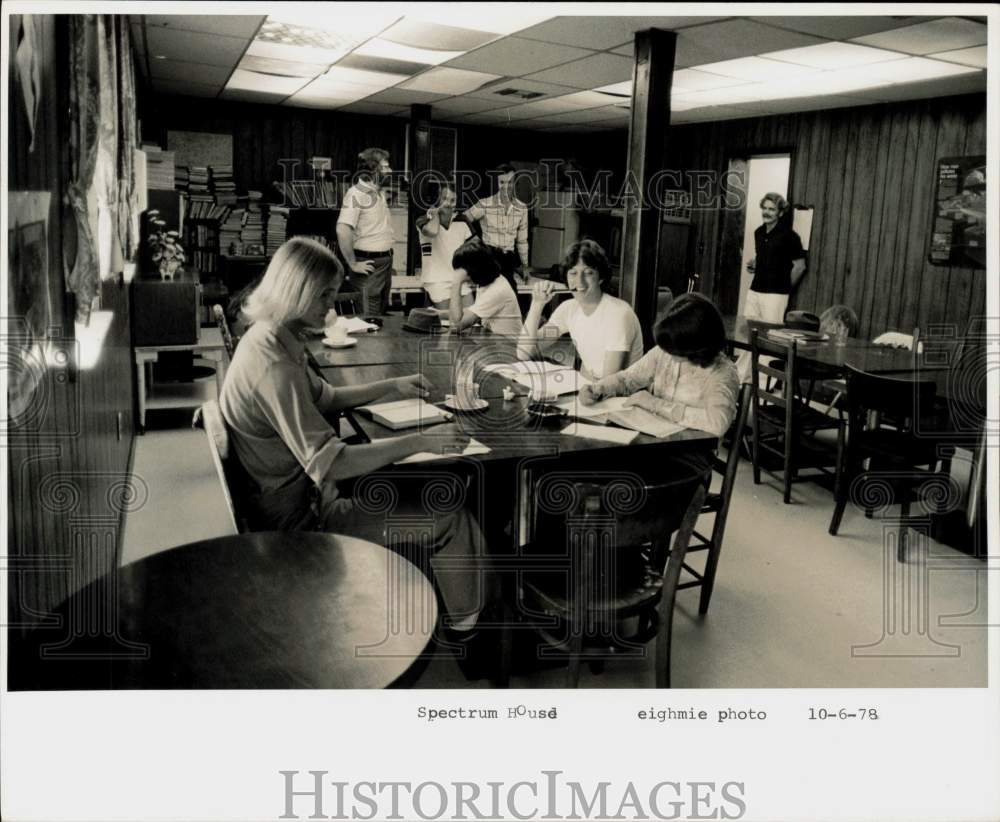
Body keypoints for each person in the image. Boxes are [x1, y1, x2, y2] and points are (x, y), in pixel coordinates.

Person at [219, 237, 485, 632]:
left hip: (296, 496)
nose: (333, 303)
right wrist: (420, 442)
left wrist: (391, 385)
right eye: (324, 294)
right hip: (304, 520)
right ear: (296, 291)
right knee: (450, 515)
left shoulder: (272, 336)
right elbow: (334, 463)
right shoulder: (272, 363)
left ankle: (446, 602)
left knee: (423, 480)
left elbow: (325, 397)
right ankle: (471, 635)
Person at [580, 292, 740, 438]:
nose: (668, 354)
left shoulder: (722, 372)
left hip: (690, 451)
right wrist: (598, 388)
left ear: (697, 344)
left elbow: (717, 424)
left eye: (676, 349)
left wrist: (654, 404)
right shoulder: (666, 352)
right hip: (654, 438)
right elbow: (627, 379)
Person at [518, 239, 642, 380]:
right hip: (595, 389)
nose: (579, 281)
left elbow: (609, 382)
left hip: (621, 396)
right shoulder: (568, 309)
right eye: (573, 273)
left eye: (588, 273)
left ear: (600, 277)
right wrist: (537, 304)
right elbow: (524, 353)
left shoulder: (618, 314)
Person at [737, 192, 807, 381]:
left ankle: (765, 382)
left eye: (772, 209)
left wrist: (785, 288)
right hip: (755, 290)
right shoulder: (759, 232)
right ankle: (744, 377)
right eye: (765, 208)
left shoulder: (790, 236)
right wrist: (756, 264)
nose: (767, 213)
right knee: (749, 335)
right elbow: (765, 258)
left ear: (780, 213)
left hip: (775, 295)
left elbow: (800, 266)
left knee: (770, 339)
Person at [336, 147, 395, 316]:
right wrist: (353, 264)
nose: (390, 171)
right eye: (385, 167)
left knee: (381, 316)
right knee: (370, 320)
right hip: (369, 264)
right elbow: (342, 229)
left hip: (385, 263)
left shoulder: (379, 192)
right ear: (372, 170)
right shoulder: (355, 194)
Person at [460, 163, 530, 290]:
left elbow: (522, 241)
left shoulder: (522, 208)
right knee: (488, 296)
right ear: (496, 183)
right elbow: (462, 220)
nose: (506, 186)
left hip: (509, 260)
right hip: (489, 258)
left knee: (510, 295)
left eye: (510, 182)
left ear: (515, 183)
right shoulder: (485, 204)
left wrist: (525, 266)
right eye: (502, 182)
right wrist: (474, 239)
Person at [448, 238, 524, 338]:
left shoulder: (496, 290)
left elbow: (455, 326)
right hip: (496, 342)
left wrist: (456, 282)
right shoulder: (489, 282)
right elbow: (468, 312)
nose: (462, 276)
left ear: (474, 271)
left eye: (463, 272)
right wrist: (439, 314)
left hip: (509, 348)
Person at [415, 181, 472, 310]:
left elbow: (474, 249)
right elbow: (433, 232)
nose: (449, 204)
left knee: (471, 317)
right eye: (445, 199)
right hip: (435, 281)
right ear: (437, 200)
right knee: (450, 318)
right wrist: (435, 213)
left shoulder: (462, 220)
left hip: (458, 280)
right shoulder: (423, 220)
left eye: (453, 200)